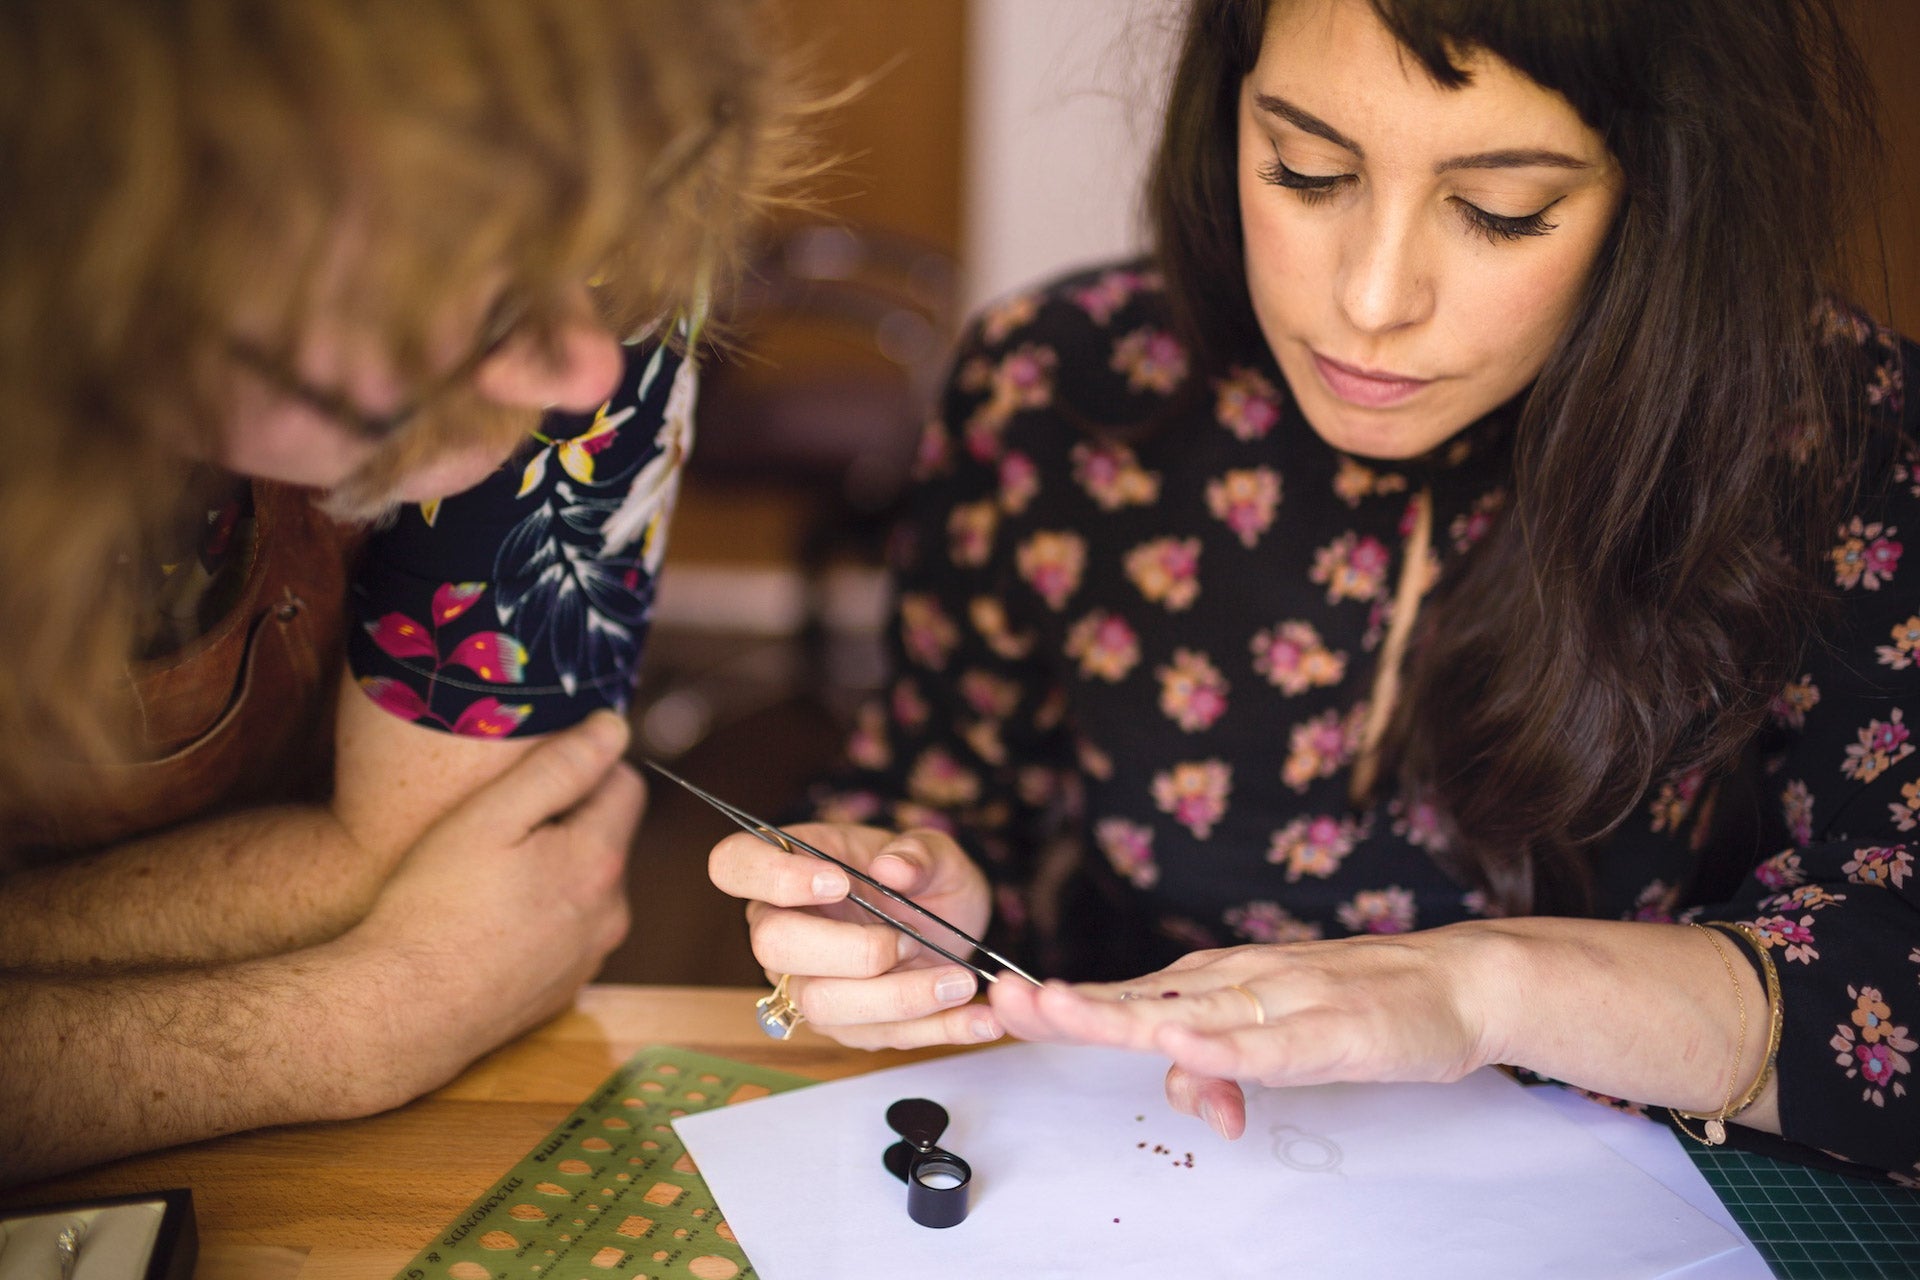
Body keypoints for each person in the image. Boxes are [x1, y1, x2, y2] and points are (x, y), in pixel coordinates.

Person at [710, 0, 1920, 1183]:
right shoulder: (1060, 389)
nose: (1373, 298)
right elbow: (943, 788)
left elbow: (1892, 977)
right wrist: (910, 901)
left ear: (1664, 190)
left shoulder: (1828, 433)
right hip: (1135, 1189)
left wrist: (1484, 986)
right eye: (1305, 170)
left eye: (1504, 211)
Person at [0, 0, 804, 1187]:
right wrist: (357, 1016)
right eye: (483, 303)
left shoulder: (593, 212)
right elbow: (428, 939)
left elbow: (439, 857)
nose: (580, 368)